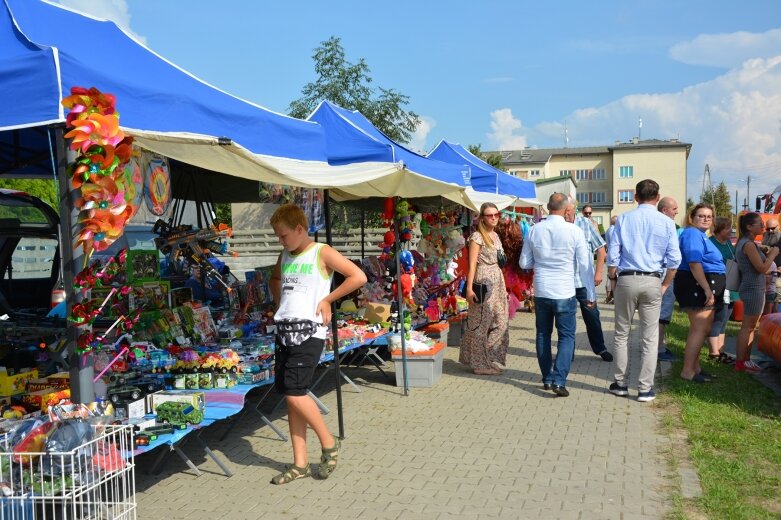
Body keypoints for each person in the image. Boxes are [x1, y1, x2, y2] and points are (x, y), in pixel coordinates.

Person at [268, 204, 367, 484]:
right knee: (292, 399)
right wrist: (281, 303)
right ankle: (299, 463)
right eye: (278, 236)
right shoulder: (285, 254)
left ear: (300, 229)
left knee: (295, 392)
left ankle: (328, 442)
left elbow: (358, 276)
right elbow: (275, 279)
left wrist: (327, 300)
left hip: (309, 333)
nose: (281, 241)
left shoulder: (321, 251)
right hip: (285, 330)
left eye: (284, 235)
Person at [607, 180, 681, 402]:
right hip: (652, 280)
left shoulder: (624, 219)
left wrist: (612, 279)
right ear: (657, 198)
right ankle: (645, 388)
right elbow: (674, 259)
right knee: (649, 337)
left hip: (627, 278)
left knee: (622, 333)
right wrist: (665, 284)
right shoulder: (667, 222)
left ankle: (620, 383)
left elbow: (614, 253)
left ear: (635, 197)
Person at [520, 193, 593, 397]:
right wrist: (590, 294)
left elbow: (524, 263)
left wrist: (542, 261)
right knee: (566, 336)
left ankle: (546, 378)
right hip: (565, 290)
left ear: (548, 207)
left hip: (542, 290)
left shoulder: (534, 229)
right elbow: (585, 265)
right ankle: (559, 379)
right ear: (566, 209)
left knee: (543, 334)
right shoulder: (574, 231)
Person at [674, 203, 725, 382]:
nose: (705, 219)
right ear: (692, 217)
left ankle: (695, 367)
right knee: (699, 328)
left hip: (704, 283)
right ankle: (688, 371)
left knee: (702, 328)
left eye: (709, 216)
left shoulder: (701, 235)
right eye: (701, 216)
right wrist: (707, 290)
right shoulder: (692, 234)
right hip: (696, 284)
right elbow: (694, 263)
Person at [460, 203, 509, 375]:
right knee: (480, 324)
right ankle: (479, 363)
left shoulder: (495, 235)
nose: (494, 217)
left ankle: (486, 356)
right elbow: (471, 265)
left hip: (497, 282)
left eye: (496, 214)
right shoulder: (477, 237)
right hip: (482, 283)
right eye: (489, 215)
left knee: (501, 322)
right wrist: (469, 289)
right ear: (482, 217)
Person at [565, 200, 612, 361]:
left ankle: (600, 348)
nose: (566, 214)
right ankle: (567, 352)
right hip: (565, 282)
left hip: (584, 281)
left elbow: (601, 249)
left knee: (592, 315)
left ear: (574, 209)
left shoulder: (585, 223)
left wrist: (599, 272)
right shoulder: (559, 226)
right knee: (567, 318)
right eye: (564, 210)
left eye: (569, 210)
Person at [734, 212, 779, 373]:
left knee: (750, 327)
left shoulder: (747, 243)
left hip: (753, 288)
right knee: (748, 327)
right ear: (749, 227)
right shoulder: (748, 244)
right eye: (759, 223)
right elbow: (761, 268)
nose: (763, 226)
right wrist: (772, 255)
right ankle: (741, 363)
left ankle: (745, 361)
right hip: (753, 289)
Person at [707, 217, 737, 363]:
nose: (730, 230)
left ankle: (721, 350)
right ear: (718, 230)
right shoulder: (711, 243)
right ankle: (713, 353)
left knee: (725, 319)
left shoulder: (729, 243)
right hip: (719, 284)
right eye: (727, 228)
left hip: (731, 284)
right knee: (719, 318)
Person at [657, 196, 681, 362]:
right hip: (665, 272)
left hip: (653, 273)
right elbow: (673, 255)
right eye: (674, 209)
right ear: (665, 210)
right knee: (662, 314)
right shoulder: (668, 224)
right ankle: (659, 349)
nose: (677, 212)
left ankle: (656, 346)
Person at [604, 215, 618, 304]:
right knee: (613, 278)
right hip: (614, 257)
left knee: (611, 278)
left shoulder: (608, 230)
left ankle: (611, 296)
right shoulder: (614, 230)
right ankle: (613, 297)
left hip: (610, 256)